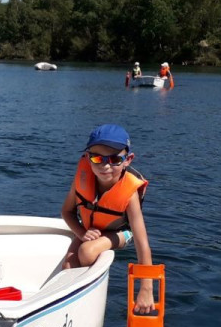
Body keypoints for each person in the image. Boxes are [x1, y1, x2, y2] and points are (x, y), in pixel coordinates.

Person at [60, 124, 156, 313]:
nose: (105, 166)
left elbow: (141, 242)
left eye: (114, 159)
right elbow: (67, 212)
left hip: (121, 232)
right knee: (68, 265)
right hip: (90, 229)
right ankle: (74, 309)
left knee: (87, 251)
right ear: (88, 158)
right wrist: (82, 233)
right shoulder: (82, 179)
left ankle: (89, 298)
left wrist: (146, 288)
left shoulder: (129, 194)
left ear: (128, 160)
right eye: (97, 159)